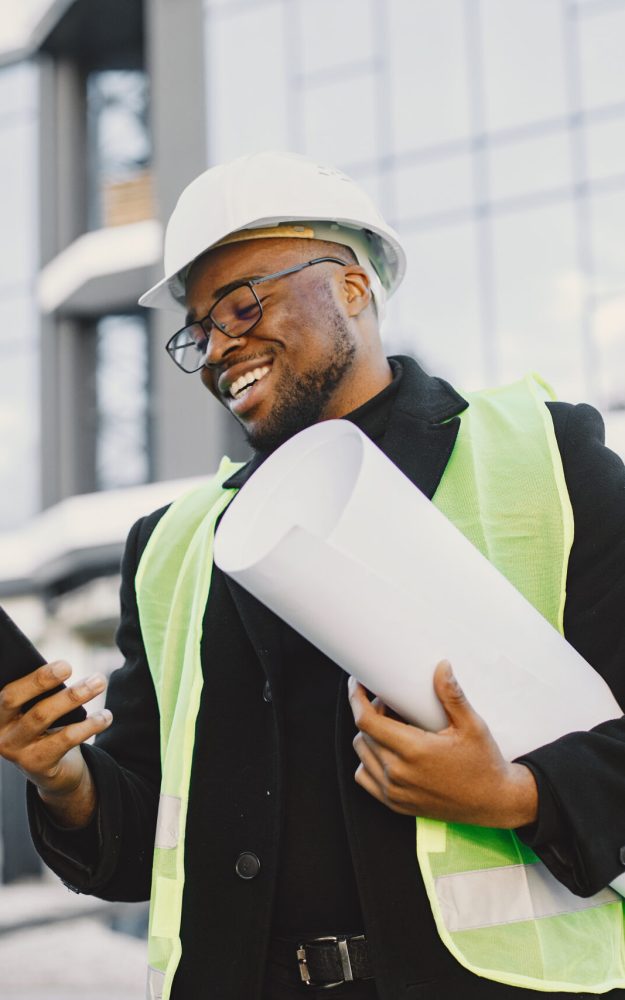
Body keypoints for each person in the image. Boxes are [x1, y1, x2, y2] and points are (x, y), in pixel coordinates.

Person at [1, 151, 625, 1000]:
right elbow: (140, 838)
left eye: (241, 303)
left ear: (352, 287)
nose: (219, 347)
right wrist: (61, 775)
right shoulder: (170, 546)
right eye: (199, 329)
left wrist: (517, 793)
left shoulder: (545, 457)